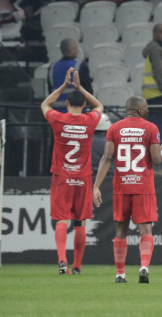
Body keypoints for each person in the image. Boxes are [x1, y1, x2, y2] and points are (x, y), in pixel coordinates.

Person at [92, 96, 162, 284]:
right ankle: (144, 267)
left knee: (120, 229)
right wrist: (161, 152)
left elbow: (107, 158)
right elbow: (156, 160)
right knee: (146, 230)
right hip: (143, 186)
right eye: (146, 108)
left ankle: (120, 274)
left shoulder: (114, 128)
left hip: (122, 185)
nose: (148, 110)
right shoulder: (151, 128)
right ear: (140, 110)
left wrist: (96, 186)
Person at [42, 68, 104, 275]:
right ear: (84, 105)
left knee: (62, 219)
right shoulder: (90, 120)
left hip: (62, 176)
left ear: (67, 104)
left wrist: (62, 86)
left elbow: (45, 104)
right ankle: (77, 266)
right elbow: (99, 105)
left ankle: (62, 261)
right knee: (80, 222)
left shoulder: (58, 119)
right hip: (82, 177)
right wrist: (80, 87)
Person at [141, 24, 162, 162]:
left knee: (158, 132)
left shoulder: (154, 49)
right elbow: (159, 74)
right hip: (159, 97)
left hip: (154, 96)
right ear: (155, 34)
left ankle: (160, 162)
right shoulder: (156, 50)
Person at [48, 39, 93, 110]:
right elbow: (88, 90)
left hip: (56, 111)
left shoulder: (52, 67)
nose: (77, 50)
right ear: (71, 49)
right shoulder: (80, 66)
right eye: (76, 48)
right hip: (76, 110)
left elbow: (50, 88)